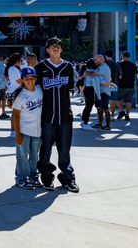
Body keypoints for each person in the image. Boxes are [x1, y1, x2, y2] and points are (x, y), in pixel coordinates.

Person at [35, 37, 79, 193]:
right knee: (45, 149)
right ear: (47, 49)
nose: (56, 48)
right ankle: (46, 177)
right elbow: (34, 90)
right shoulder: (40, 67)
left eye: (58, 46)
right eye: (53, 46)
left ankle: (68, 178)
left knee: (65, 150)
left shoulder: (68, 67)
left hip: (65, 115)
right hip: (47, 116)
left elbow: (71, 88)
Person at [12, 67, 43, 190]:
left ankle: (33, 175)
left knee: (34, 155)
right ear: (22, 80)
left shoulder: (40, 90)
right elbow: (15, 115)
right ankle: (21, 178)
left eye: (32, 78)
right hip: (24, 130)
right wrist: (17, 134)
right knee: (22, 155)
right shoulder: (21, 95)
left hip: (37, 130)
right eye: (26, 79)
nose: (29, 81)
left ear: (36, 79)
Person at [93, 54, 113, 130]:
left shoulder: (104, 67)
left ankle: (108, 125)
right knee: (99, 108)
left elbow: (93, 75)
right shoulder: (100, 67)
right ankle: (100, 124)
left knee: (105, 108)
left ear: (101, 60)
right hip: (99, 91)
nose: (94, 61)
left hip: (104, 91)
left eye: (96, 60)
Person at [116, 52, 138, 121]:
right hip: (130, 85)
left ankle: (121, 110)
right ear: (129, 57)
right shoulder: (133, 65)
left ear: (122, 57)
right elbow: (137, 74)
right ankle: (127, 115)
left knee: (116, 99)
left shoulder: (118, 64)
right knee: (128, 101)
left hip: (120, 85)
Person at [79, 59, 99, 130]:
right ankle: (85, 123)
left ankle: (83, 121)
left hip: (86, 89)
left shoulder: (86, 70)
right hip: (90, 89)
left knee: (87, 106)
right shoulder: (92, 71)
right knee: (89, 106)